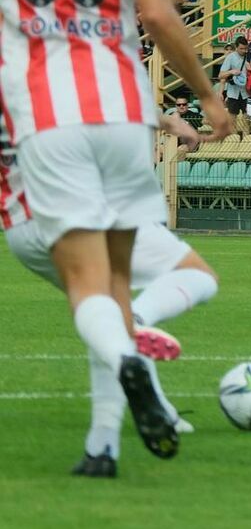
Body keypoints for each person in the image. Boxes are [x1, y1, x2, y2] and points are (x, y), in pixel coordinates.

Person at [0, 0, 230, 471]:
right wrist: (208, 95)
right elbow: (158, 16)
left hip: (47, 116)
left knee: (88, 289)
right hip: (126, 112)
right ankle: (102, 445)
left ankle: (123, 373)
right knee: (120, 283)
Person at [3, 112, 218, 477]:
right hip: (76, 208)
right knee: (196, 277)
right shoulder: (35, 69)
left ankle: (108, 444)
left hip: (20, 227)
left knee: (98, 310)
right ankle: (133, 323)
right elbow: (100, 106)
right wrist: (169, 122)